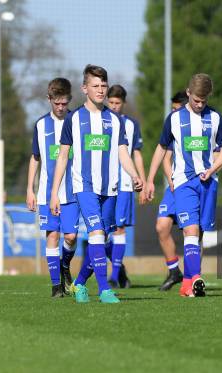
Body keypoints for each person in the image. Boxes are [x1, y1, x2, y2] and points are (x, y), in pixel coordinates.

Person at [49, 65, 143, 304]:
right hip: (84, 186)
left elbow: (123, 153)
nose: (101, 90)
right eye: (96, 86)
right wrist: (54, 193)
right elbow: (62, 157)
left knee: (102, 239)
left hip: (111, 187)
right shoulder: (74, 119)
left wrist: (134, 175)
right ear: (84, 88)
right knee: (97, 233)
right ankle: (104, 289)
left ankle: (79, 283)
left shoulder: (114, 120)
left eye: (103, 86)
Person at [146, 73, 222, 297]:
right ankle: (195, 279)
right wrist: (150, 179)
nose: (200, 105)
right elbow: (161, 148)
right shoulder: (173, 119)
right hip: (184, 182)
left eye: (204, 101)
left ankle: (188, 283)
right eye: (196, 100)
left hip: (209, 183)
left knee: (199, 233)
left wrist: (213, 168)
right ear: (188, 93)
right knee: (190, 230)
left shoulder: (215, 118)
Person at [27, 78, 79, 298]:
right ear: (49, 99)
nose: (60, 107)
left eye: (64, 103)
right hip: (47, 193)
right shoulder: (40, 125)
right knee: (52, 237)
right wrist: (30, 188)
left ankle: (65, 265)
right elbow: (36, 157)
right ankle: (56, 286)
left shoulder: (77, 121)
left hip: (73, 191)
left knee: (71, 237)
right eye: (56, 103)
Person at [106, 84, 147, 288]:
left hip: (123, 183)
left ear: (123, 103)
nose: (114, 106)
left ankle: (113, 276)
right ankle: (119, 269)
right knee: (102, 230)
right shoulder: (99, 121)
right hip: (101, 184)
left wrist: (143, 180)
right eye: (111, 102)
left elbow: (136, 154)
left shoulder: (131, 125)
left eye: (117, 103)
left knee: (119, 228)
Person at [157, 91, 189, 291]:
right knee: (162, 226)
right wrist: (171, 180)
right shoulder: (173, 125)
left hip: (196, 185)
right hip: (175, 186)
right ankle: (174, 271)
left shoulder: (204, 125)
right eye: (172, 110)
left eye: (176, 110)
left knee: (194, 232)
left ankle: (194, 275)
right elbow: (165, 157)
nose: (173, 114)